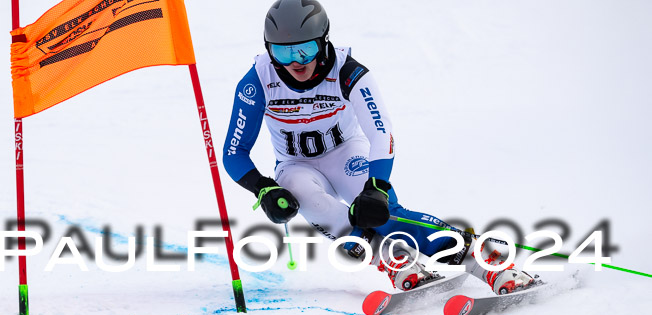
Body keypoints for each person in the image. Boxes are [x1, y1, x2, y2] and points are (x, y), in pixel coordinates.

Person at [222, 0, 534, 294]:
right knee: (305, 198)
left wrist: (376, 186)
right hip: (295, 165)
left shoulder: (349, 72)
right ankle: (394, 260)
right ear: (268, 50)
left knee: (383, 214)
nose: (295, 63)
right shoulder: (257, 81)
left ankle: (483, 258)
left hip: (346, 153)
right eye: (283, 53)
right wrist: (263, 188)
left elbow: (381, 134)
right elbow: (234, 152)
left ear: (323, 41)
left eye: (304, 51)